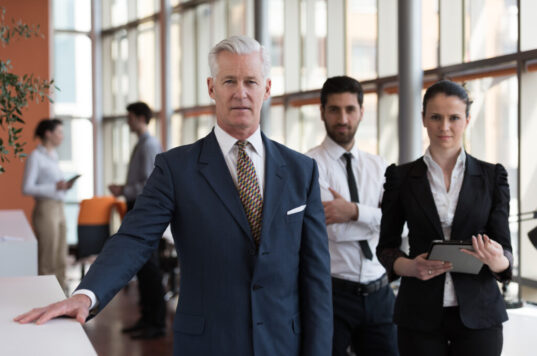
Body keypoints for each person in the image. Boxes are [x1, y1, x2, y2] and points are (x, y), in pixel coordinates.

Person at [15, 35, 333, 356]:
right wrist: (86, 295)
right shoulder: (176, 168)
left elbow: (316, 275)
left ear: (266, 89)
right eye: (229, 81)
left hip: (283, 343)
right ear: (212, 88)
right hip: (208, 343)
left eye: (251, 81)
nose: (240, 92)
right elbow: (135, 239)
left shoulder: (300, 170)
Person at [376, 80, 512, 356]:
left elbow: (505, 250)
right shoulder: (400, 178)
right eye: (436, 117)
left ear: (467, 120)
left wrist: (498, 260)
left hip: (480, 313)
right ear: (424, 118)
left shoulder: (492, 177)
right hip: (419, 313)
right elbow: (386, 248)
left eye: (454, 118)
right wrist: (408, 267)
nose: (444, 127)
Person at [306, 76, 398, 356]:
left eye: (350, 109)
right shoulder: (308, 167)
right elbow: (331, 229)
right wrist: (375, 220)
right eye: (334, 109)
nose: (342, 118)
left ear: (361, 112)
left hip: (380, 292)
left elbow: (400, 227)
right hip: (332, 295)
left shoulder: (380, 166)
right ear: (322, 112)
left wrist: (353, 211)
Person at [108, 101, 166, 339]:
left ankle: (157, 322)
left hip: (146, 210)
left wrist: (124, 189)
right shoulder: (142, 144)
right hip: (138, 207)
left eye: (130, 116)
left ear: (141, 118)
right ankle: (147, 318)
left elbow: (151, 183)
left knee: (150, 267)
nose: (128, 121)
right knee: (141, 266)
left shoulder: (149, 145)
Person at [22, 119, 74, 292]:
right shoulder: (35, 157)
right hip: (45, 209)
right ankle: (46, 296)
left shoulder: (54, 156)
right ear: (48, 133)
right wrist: (54, 187)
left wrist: (63, 187)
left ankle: (61, 295)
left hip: (59, 207)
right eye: (59, 132)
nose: (62, 136)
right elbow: (27, 188)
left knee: (60, 255)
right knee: (47, 257)